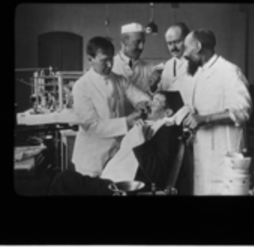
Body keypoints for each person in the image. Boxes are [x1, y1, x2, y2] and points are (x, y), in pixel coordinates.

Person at [182, 28, 252, 195]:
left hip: (225, 153)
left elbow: (243, 110)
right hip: (203, 151)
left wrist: (205, 119)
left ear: (198, 46)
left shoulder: (229, 71)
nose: (185, 54)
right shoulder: (199, 73)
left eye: (187, 48)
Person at [71, 36, 151, 178]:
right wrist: (126, 122)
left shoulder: (119, 80)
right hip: (91, 159)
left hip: (115, 154)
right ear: (90, 59)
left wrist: (142, 104)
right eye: (104, 60)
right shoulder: (81, 86)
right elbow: (91, 126)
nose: (109, 65)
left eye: (111, 59)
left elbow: (140, 96)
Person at [101, 91, 193, 195]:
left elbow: (157, 175)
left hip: (124, 186)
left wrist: (142, 142)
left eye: (156, 102)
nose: (149, 104)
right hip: (109, 177)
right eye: (152, 99)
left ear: (167, 113)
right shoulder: (146, 125)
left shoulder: (166, 132)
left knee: (80, 184)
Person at [111, 22, 154, 114]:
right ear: (124, 41)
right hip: (118, 122)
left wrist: (153, 89)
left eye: (143, 42)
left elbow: (155, 98)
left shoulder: (149, 67)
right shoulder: (111, 66)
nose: (142, 47)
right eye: (137, 42)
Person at [150, 22, 194, 105]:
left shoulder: (196, 63)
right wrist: (153, 87)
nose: (173, 47)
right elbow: (162, 93)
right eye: (169, 43)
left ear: (187, 40)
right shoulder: (167, 65)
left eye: (177, 42)